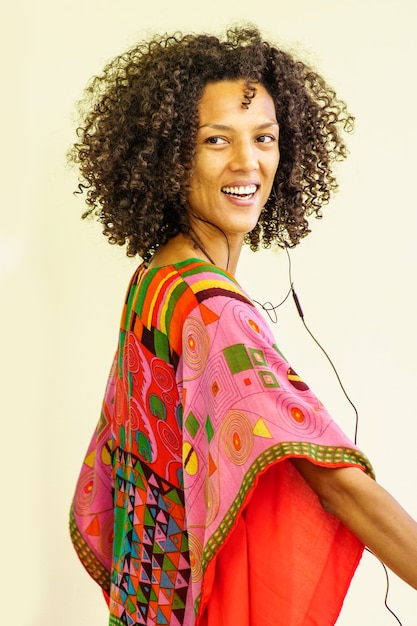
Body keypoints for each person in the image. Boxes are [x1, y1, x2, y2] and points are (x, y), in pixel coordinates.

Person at [69, 26, 417, 626]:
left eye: (264, 138)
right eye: (215, 140)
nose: (247, 162)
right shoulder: (210, 308)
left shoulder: (158, 278)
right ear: (171, 154)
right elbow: (336, 483)